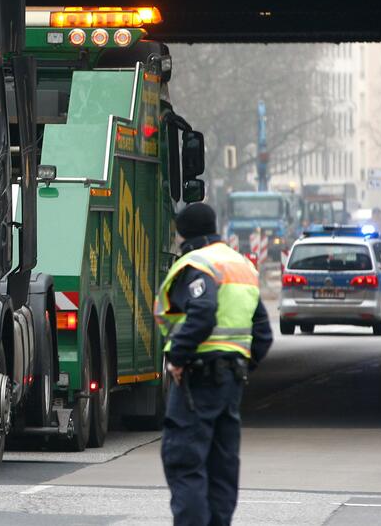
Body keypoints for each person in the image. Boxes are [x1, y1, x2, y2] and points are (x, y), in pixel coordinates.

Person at [154, 202, 273, 526]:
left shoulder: (196, 264)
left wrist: (178, 358)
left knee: (185, 461)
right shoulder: (241, 266)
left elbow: (203, 312)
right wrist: (240, 365)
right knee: (222, 467)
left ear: (183, 234)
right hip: (230, 381)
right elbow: (263, 335)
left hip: (196, 379)